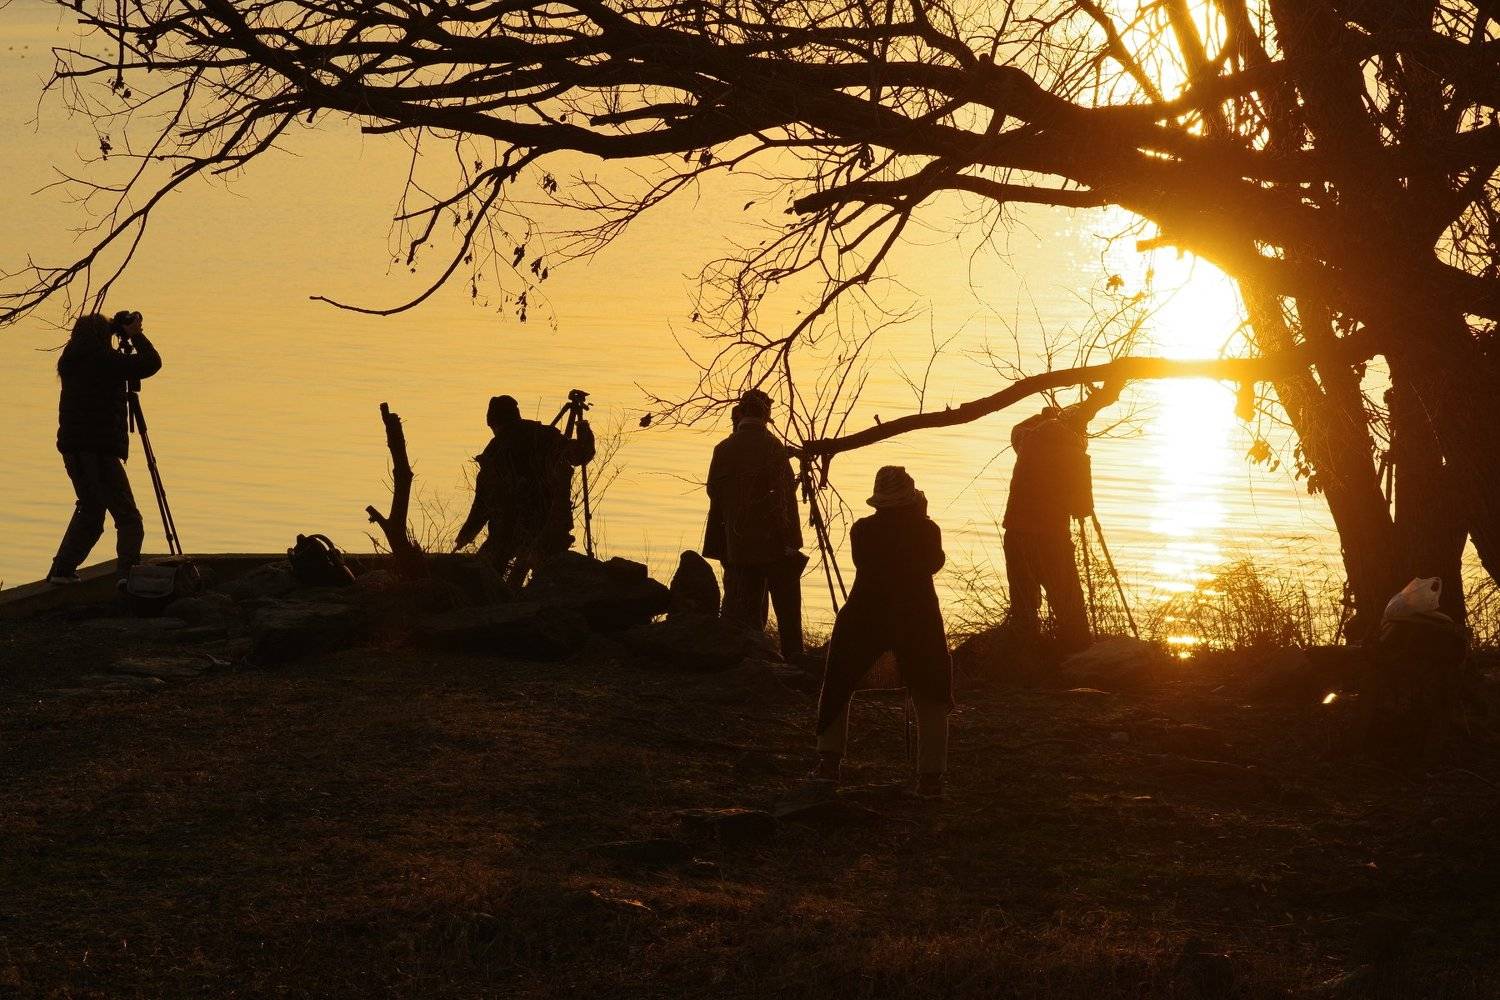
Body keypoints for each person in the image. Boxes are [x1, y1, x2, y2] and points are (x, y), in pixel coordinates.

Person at [813, 466, 950, 798]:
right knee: (932, 689)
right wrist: (921, 517)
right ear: (911, 499)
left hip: (865, 613)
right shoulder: (926, 529)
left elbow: (865, 563)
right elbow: (934, 563)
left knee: (838, 682)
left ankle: (829, 761)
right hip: (916, 617)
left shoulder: (862, 530)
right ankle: (930, 777)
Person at [1002, 380, 1123, 655]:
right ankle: (1075, 654)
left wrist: (1048, 417)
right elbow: (1082, 508)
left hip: (1016, 535)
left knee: (1023, 607)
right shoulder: (1075, 455)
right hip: (1051, 538)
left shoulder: (1028, 439)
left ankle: (1024, 658)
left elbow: (1017, 429)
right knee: (1069, 605)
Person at [48, 311, 162, 585]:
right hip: (98, 451)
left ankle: (62, 571)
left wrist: (112, 328)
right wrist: (135, 334)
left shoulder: (70, 361)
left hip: (73, 450)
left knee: (91, 510)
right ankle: (127, 575)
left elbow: (94, 340)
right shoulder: (105, 361)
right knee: (128, 517)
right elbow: (151, 363)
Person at [703, 388, 806, 660]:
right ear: (766, 414)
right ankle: (793, 656)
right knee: (787, 605)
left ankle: (748, 657)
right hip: (771, 543)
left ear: (741, 413)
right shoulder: (773, 447)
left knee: (743, 607)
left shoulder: (723, 448)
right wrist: (792, 541)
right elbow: (786, 497)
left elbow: (713, 491)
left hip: (735, 543)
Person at [454, 393, 595, 587]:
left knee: (486, 577)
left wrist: (466, 535)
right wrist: (583, 428)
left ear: (494, 424)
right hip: (551, 525)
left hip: (511, 531)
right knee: (545, 579)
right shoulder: (545, 437)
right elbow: (582, 454)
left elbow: (482, 505)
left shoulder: (495, 453)